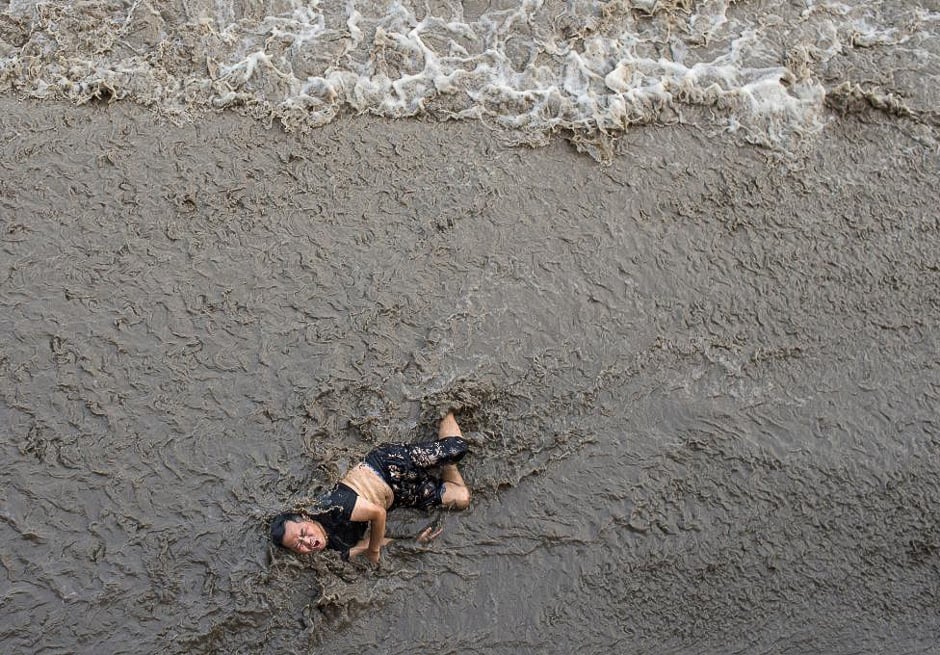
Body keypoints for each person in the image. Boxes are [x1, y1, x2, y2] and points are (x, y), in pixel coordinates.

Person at [270, 412, 471, 563]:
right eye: (299, 546)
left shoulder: (332, 505)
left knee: (457, 447)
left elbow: (378, 514)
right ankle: (446, 465)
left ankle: (444, 410)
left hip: (388, 466)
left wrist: (374, 553)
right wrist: (412, 544)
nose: (307, 542)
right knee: (462, 498)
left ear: (306, 517)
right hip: (397, 497)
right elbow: (368, 544)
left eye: (303, 533)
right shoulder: (336, 553)